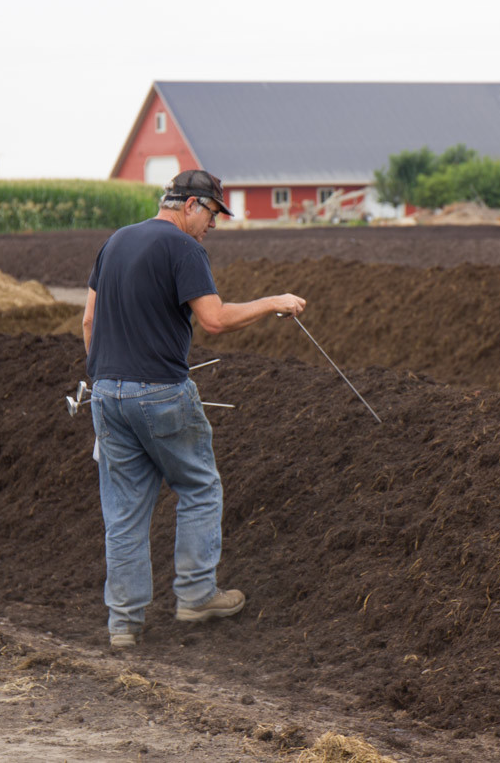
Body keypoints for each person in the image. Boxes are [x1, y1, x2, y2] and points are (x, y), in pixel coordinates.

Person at [81, 170, 306, 650]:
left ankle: (122, 623)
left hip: (105, 393)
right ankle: (197, 594)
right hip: (160, 392)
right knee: (200, 486)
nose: (215, 226)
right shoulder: (184, 249)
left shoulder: (116, 242)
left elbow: (89, 320)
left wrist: (104, 380)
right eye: (213, 215)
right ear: (191, 206)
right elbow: (214, 320)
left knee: (122, 514)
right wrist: (274, 302)